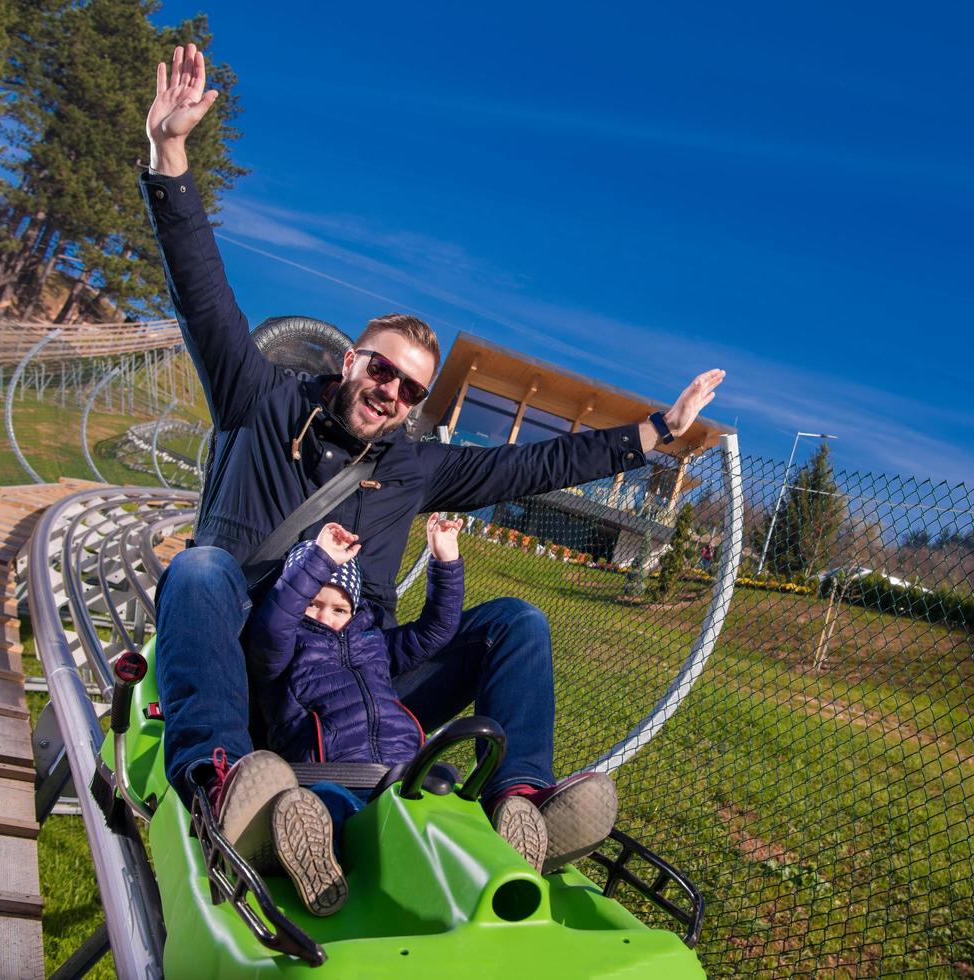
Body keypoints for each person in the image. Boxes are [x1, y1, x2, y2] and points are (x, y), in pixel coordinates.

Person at [141, 43, 725, 892]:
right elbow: (203, 295)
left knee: (517, 620)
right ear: (349, 363)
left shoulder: (413, 467)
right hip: (258, 650)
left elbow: (535, 465)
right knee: (198, 569)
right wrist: (170, 156)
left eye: (409, 386)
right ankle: (222, 781)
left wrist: (653, 434)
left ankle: (521, 803)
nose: (390, 391)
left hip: (365, 671)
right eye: (379, 369)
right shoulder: (261, 400)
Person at [233, 516, 466, 916]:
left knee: (448, 793)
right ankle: (320, 865)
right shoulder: (281, 650)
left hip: (399, 772)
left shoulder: (373, 642)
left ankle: (460, 865)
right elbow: (274, 627)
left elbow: (435, 632)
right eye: (312, 604)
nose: (325, 615)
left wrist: (445, 562)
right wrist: (319, 561)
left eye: (339, 608)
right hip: (330, 770)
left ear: (354, 609)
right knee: (325, 806)